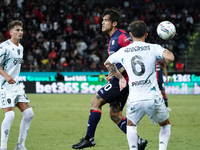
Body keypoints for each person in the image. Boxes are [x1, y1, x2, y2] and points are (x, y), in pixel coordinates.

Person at [72, 8, 147, 150]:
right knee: (115, 115)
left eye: (105, 20)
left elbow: (134, 55)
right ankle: (138, 141)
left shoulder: (122, 36)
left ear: (114, 23)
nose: (102, 23)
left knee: (95, 101)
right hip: (121, 80)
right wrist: (114, 73)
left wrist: (118, 75)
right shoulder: (113, 38)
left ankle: (89, 138)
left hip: (122, 81)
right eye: (102, 20)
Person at [104, 20, 174, 150]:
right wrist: (165, 63)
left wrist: (120, 78)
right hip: (153, 97)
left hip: (135, 98)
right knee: (165, 125)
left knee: (131, 126)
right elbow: (170, 57)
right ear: (146, 34)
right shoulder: (154, 47)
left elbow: (107, 63)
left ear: (130, 34)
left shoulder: (124, 51)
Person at [0, 20, 34, 150]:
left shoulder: (21, 47)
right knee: (10, 115)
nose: (20, 32)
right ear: (10, 32)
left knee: (29, 114)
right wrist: (6, 76)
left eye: (21, 30)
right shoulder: (4, 47)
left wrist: (12, 77)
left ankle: (20, 145)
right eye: (17, 30)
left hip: (15, 85)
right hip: (4, 85)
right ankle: (3, 147)